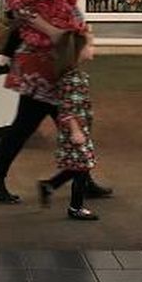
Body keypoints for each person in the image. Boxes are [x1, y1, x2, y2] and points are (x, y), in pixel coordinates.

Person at [0, 0, 113, 204]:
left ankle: (80, 179)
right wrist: (62, 35)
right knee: (30, 127)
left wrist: (85, 39)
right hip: (38, 73)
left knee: (69, 125)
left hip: (60, 70)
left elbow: (78, 20)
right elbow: (36, 25)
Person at [38, 33, 99, 221]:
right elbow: (68, 108)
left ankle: (50, 185)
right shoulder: (73, 79)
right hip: (76, 130)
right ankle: (75, 206)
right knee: (81, 167)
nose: (93, 49)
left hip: (79, 129)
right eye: (90, 46)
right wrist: (76, 130)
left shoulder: (74, 76)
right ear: (78, 52)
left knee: (79, 166)